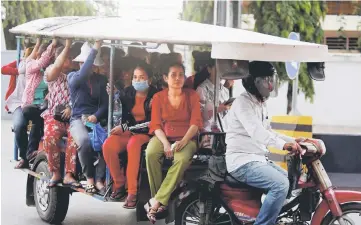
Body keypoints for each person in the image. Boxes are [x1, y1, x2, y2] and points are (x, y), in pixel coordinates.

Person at [225, 61, 304, 225]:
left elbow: (269, 130)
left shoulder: (260, 103)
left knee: (289, 181)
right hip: (242, 161)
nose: (270, 85)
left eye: (271, 80)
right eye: (266, 80)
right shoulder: (243, 103)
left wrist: (291, 141)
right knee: (281, 184)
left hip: (257, 159)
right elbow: (257, 132)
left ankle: (269, 216)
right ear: (254, 82)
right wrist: (282, 146)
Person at [144, 62, 202, 223]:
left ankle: (156, 201)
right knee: (150, 153)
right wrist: (165, 144)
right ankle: (159, 199)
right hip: (164, 136)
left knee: (181, 159)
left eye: (181, 75)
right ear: (165, 78)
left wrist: (184, 141)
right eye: (173, 75)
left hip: (187, 137)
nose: (177, 78)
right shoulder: (158, 97)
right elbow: (155, 125)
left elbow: (196, 123)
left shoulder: (192, 95)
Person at [103, 62, 158, 207]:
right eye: (135, 77)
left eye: (141, 77)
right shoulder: (128, 92)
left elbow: (151, 122)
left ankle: (132, 192)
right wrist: (112, 93)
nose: (137, 80)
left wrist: (125, 127)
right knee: (109, 145)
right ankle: (119, 183)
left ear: (149, 80)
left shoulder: (157, 95)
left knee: (133, 145)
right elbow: (118, 106)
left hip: (148, 133)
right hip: (130, 131)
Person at [68, 41, 108, 194]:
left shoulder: (101, 80)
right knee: (84, 141)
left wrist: (96, 116)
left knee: (108, 141)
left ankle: (99, 179)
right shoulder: (73, 77)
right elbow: (83, 74)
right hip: (77, 119)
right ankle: (89, 177)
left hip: (95, 119)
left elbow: (105, 104)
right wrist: (95, 48)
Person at [42, 39, 82, 187]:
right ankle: (56, 173)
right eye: (68, 58)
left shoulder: (77, 75)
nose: (71, 61)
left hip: (73, 118)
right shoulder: (51, 72)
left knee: (75, 138)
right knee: (50, 137)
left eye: (72, 58)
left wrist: (71, 108)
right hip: (54, 116)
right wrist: (66, 46)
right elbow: (57, 66)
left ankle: (69, 174)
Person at [15, 38, 56, 168]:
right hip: (26, 105)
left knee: (39, 118)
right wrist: (51, 45)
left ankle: (30, 154)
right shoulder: (31, 65)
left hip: (42, 107)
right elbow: (41, 62)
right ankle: (24, 155)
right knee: (19, 126)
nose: (47, 60)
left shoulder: (50, 71)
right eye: (46, 57)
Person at [194, 54, 230, 147]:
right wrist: (217, 109)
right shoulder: (201, 89)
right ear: (209, 69)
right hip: (208, 133)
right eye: (218, 68)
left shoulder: (225, 90)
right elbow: (198, 115)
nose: (221, 71)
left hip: (225, 131)